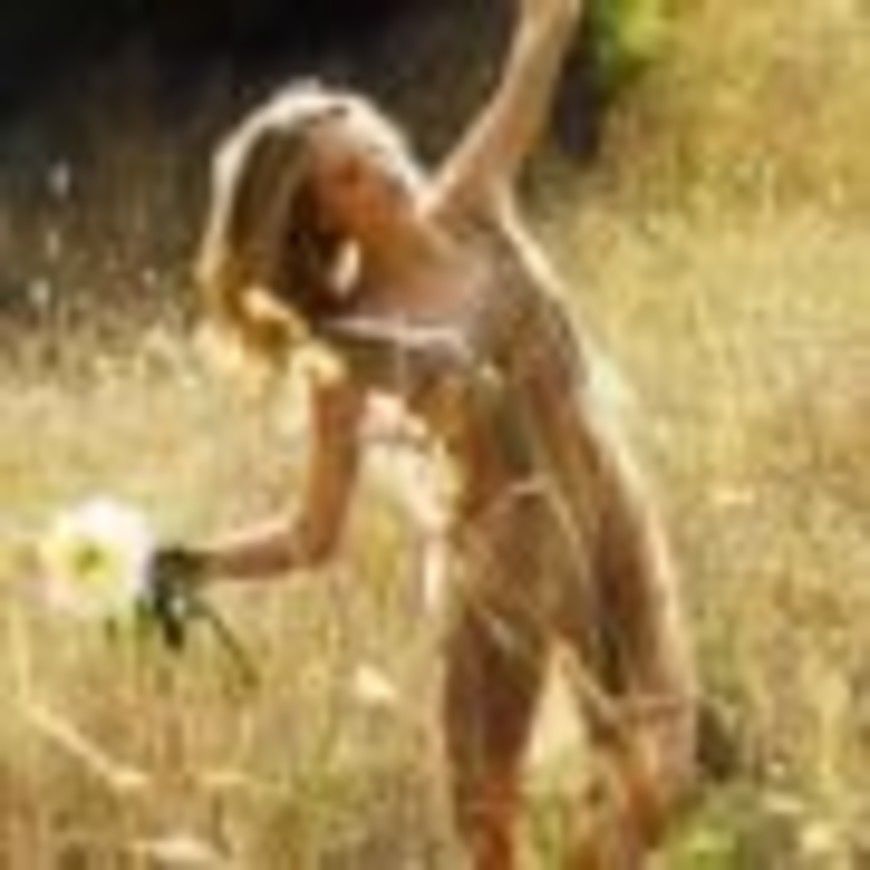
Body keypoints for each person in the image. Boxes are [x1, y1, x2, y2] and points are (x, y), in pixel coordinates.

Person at [154, 0, 698, 865]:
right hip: (506, 568)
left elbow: (536, 51)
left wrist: (553, 21)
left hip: (609, 513)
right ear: (319, 219)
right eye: (348, 175)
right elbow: (313, 534)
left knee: (656, 783)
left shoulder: (472, 202)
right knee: (493, 828)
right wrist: (192, 563)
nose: (382, 167)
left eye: (372, 142)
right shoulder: (348, 349)